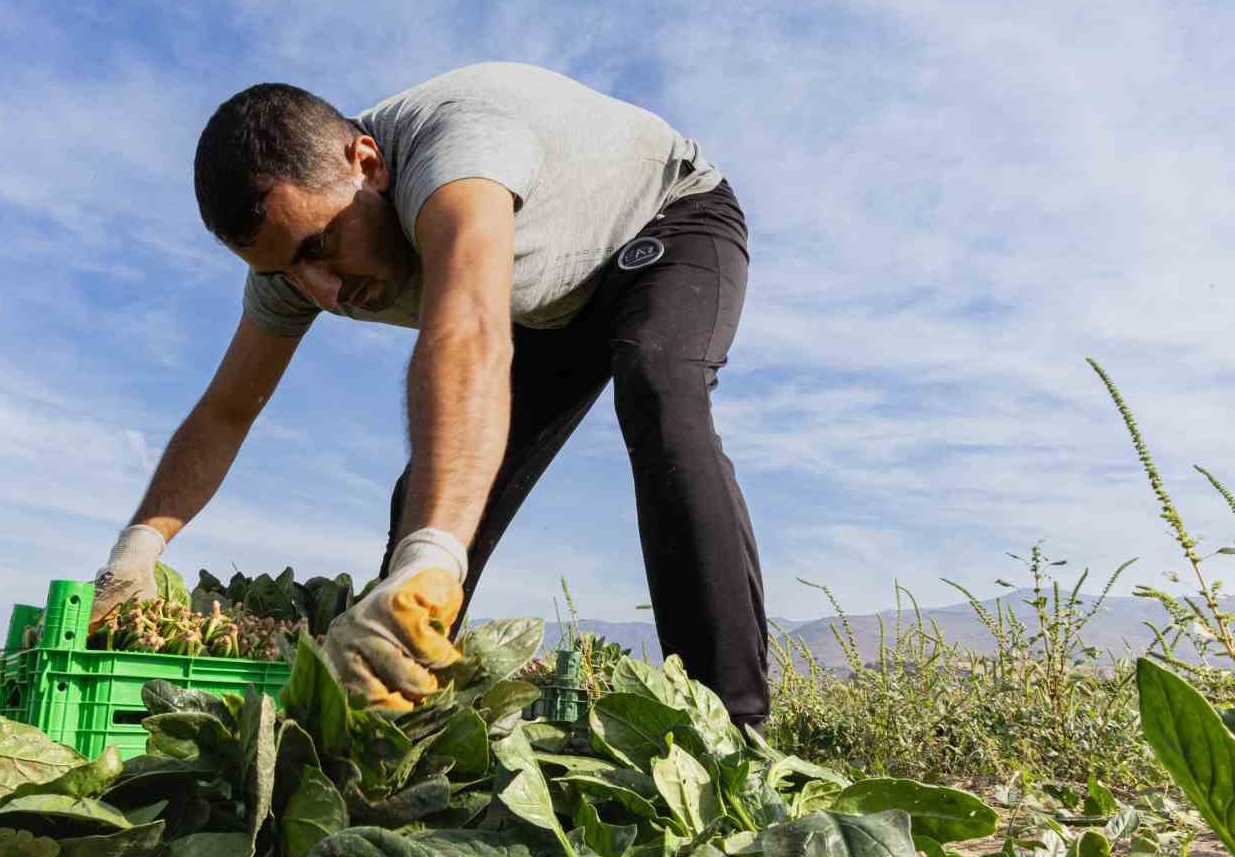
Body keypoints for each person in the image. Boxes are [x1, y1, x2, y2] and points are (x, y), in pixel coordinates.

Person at [89, 61, 768, 727]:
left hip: (664, 225)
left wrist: (434, 554)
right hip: (541, 305)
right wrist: (139, 547)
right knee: (430, 486)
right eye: (286, 270)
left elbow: (468, 327)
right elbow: (226, 410)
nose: (322, 291)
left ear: (367, 164)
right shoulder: (291, 263)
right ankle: (401, 729)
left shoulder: (456, 153)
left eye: (322, 245)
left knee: (656, 383)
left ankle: (732, 731)